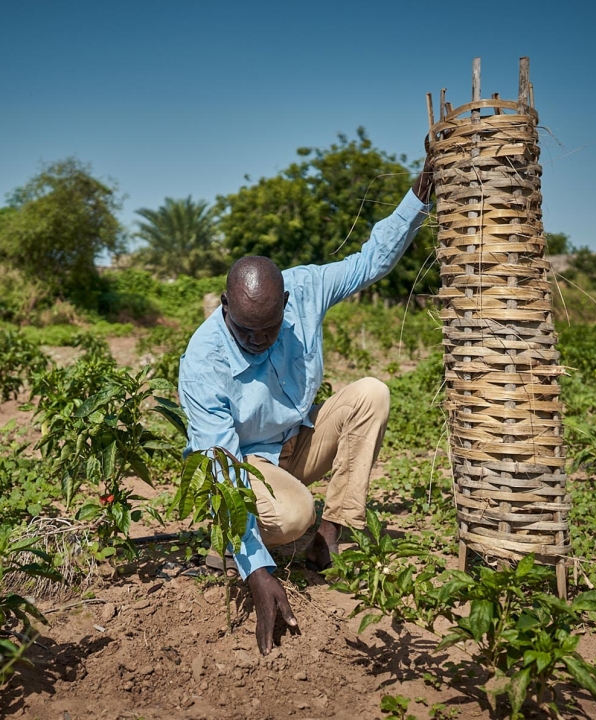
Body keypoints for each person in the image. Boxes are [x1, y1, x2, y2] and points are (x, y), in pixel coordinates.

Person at [178, 145, 434, 655]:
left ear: (286, 305)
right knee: (293, 514)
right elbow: (223, 467)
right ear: (224, 304)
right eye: (244, 331)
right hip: (247, 463)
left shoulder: (307, 289)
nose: (256, 340)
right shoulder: (203, 361)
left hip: (300, 439)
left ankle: (331, 534)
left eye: (268, 330)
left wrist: (417, 197)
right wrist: (258, 573)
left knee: (371, 394)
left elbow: (371, 261)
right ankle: (251, 536)